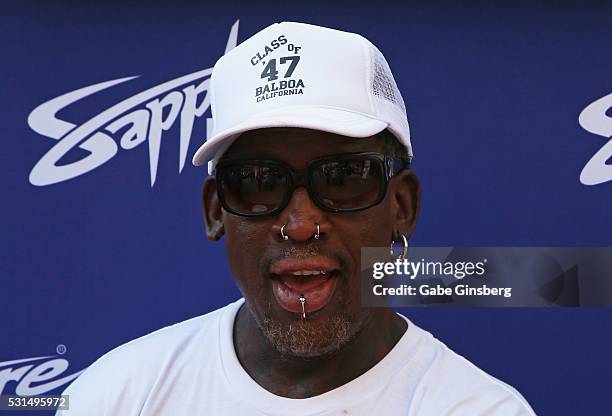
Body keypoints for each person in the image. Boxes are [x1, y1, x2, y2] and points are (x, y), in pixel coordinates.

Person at [58, 22, 535, 415]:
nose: (301, 225)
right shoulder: (116, 396)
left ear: (402, 208)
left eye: (344, 177)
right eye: (258, 182)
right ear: (215, 211)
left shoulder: (477, 409)